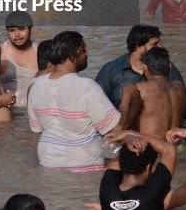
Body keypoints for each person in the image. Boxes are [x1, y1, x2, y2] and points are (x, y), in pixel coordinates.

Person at [27, 31, 120, 170]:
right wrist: (129, 103)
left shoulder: (35, 86)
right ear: (72, 55)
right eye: (83, 50)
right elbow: (116, 130)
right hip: (85, 167)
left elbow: (37, 130)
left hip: (48, 165)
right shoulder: (87, 86)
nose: (87, 54)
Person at [95, 24, 186, 110]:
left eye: (159, 43)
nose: (161, 47)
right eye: (155, 44)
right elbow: (97, 104)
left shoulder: (167, 67)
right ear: (138, 47)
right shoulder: (111, 70)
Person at [97, 130, 177, 210]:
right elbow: (169, 150)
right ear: (148, 167)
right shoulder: (152, 193)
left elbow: (115, 157)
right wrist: (129, 134)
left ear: (121, 164)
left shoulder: (107, 190)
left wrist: (128, 138)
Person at [118, 46, 186, 140]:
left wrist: (126, 96)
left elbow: (122, 125)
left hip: (150, 149)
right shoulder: (180, 88)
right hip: (176, 146)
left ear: (145, 68)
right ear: (170, 66)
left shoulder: (140, 89)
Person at [0, 11, 38, 108]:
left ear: (31, 29)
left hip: (34, 112)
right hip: (8, 111)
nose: (17, 34)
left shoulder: (41, 51)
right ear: (7, 31)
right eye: (12, 30)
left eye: (21, 29)